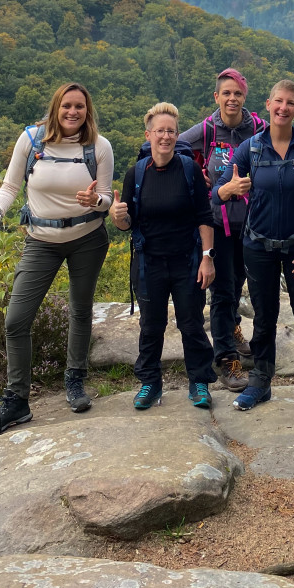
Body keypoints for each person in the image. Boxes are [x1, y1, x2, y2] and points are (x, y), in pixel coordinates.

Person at [0, 82, 113, 434]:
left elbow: (107, 198)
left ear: (87, 111)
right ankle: (17, 399)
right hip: (41, 240)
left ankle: (75, 380)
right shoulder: (32, 140)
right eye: (66, 106)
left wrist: (94, 202)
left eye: (79, 107)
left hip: (88, 238)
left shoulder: (99, 146)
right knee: (17, 319)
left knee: (80, 309)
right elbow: (9, 187)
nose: (72, 112)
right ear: (56, 108)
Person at [212, 79, 294, 418]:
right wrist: (230, 189)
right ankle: (260, 383)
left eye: (290, 103)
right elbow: (217, 191)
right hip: (259, 247)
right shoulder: (250, 149)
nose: (283, 108)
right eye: (278, 101)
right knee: (264, 319)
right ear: (267, 105)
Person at [110, 103, 216, 410]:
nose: (165, 137)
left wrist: (207, 258)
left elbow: (203, 216)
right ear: (148, 135)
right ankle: (150, 383)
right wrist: (117, 216)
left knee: (192, 323)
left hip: (187, 260)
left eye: (171, 131)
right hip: (149, 262)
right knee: (151, 325)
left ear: (177, 134)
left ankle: (198, 381)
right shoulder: (136, 173)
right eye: (160, 131)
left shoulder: (189, 170)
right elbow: (127, 223)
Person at [178, 68, 266, 392]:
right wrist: (192, 171)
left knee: (239, 283)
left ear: (245, 98)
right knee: (224, 290)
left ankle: (231, 328)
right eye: (226, 93)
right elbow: (173, 145)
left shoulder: (257, 129)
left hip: (253, 223)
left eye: (238, 94)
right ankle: (227, 359)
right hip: (218, 222)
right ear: (217, 97)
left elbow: (284, 144)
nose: (232, 98)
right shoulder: (206, 129)